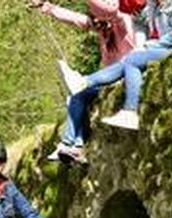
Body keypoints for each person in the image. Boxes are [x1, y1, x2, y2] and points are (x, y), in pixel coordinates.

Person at [59, 0, 172, 131]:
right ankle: (83, 82)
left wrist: (147, 46)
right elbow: (140, 21)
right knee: (130, 59)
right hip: (165, 47)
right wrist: (141, 44)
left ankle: (131, 110)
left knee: (133, 60)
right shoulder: (153, 5)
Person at [29, 0, 137, 165]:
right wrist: (46, 6)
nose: (95, 23)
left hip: (126, 77)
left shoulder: (122, 21)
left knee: (82, 87)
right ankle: (72, 144)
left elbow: (110, 12)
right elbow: (74, 18)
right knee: (77, 95)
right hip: (108, 82)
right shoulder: (102, 27)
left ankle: (75, 144)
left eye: (97, 17)